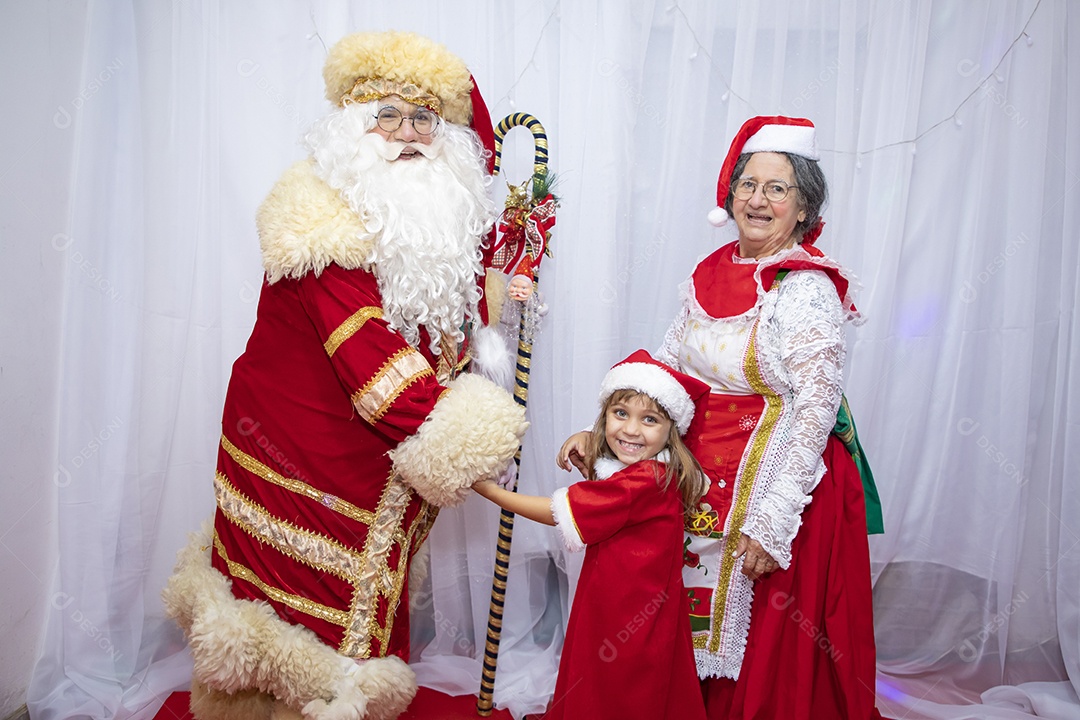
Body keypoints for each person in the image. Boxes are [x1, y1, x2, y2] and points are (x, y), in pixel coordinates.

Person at [162, 31, 529, 720]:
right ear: (351, 127)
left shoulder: (425, 217)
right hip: (299, 444)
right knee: (303, 615)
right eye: (386, 114)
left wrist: (497, 287)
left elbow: (435, 303)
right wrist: (478, 455)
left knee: (353, 603)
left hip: (371, 455)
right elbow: (376, 366)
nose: (408, 134)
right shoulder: (321, 224)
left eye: (425, 118)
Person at [559, 116, 884, 719]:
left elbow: (816, 407)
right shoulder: (708, 273)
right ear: (730, 195)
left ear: (804, 206)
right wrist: (600, 427)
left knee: (763, 631)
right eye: (748, 185)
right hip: (703, 472)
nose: (758, 200)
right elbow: (664, 370)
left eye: (777, 188)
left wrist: (773, 519)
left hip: (780, 471)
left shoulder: (805, 289)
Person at [475, 350, 710, 720]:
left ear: (671, 432)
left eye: (649, 419)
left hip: (625, 610)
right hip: (628, 599)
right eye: (621, 414)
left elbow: (561, 513)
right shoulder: (655, 473)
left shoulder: (645, 480)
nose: (631, 429)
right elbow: (614, 509)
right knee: (626, 679)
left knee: (619, 685)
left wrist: (491, 493)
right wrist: (588, 448)